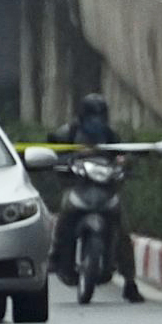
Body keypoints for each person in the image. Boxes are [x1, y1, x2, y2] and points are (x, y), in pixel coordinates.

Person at [48, 88, 138, 301]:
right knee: (65, 213)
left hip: (105, 188)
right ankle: (56, 254)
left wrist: (124, 163)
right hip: (78, 185)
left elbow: (122, 153)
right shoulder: (68, 132)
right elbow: (52, 148)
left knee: (123, 230)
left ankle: (130, 281)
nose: (95, 121)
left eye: (99, 116)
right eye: (91, 116)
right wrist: (62, 161)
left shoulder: (110, 135)